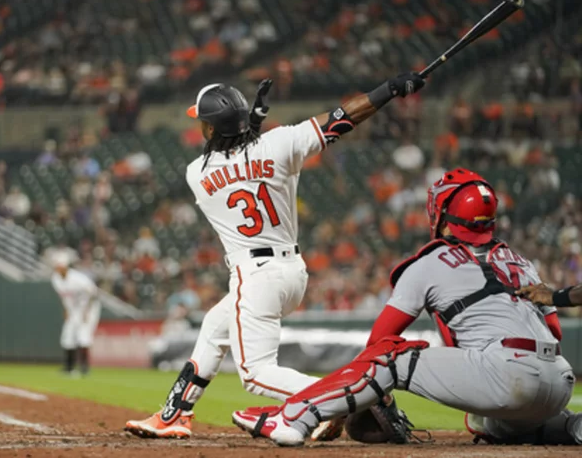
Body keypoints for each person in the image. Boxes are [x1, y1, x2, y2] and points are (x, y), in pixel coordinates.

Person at [125, 70, 426, 439]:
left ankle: (355, 397)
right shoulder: (281, 143)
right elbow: (341, 118)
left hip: (254, 276)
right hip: (292, 272)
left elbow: (234, 160)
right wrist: (389, 90)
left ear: (210, 129)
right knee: (214, 329)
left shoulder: (196, 174)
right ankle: (174, 415)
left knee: (255, 374)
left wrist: (249, 123)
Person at [231, 168, 582, 447]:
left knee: (390, 356)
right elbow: (555, 333)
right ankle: (570, 424)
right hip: (558, 381)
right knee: (488, 424)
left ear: (443, 213)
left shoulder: (429, 263)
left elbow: (379, 343)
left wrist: (356, 399)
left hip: (504, 375)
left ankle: (294, 418)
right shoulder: (522, 262)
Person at [50, 253, 101, 376]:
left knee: (83, 335)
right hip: (74, 309)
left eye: (60, 266)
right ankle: (69, 367)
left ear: (66, 266)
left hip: (89, 307)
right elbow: (64, 297)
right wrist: (66, 309)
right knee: (67, 335)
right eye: (57, 266)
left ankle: (84, 367)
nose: (58, 268)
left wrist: (86, 311)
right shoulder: (55, 279)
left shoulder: (78, 278)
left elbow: (94, 294)